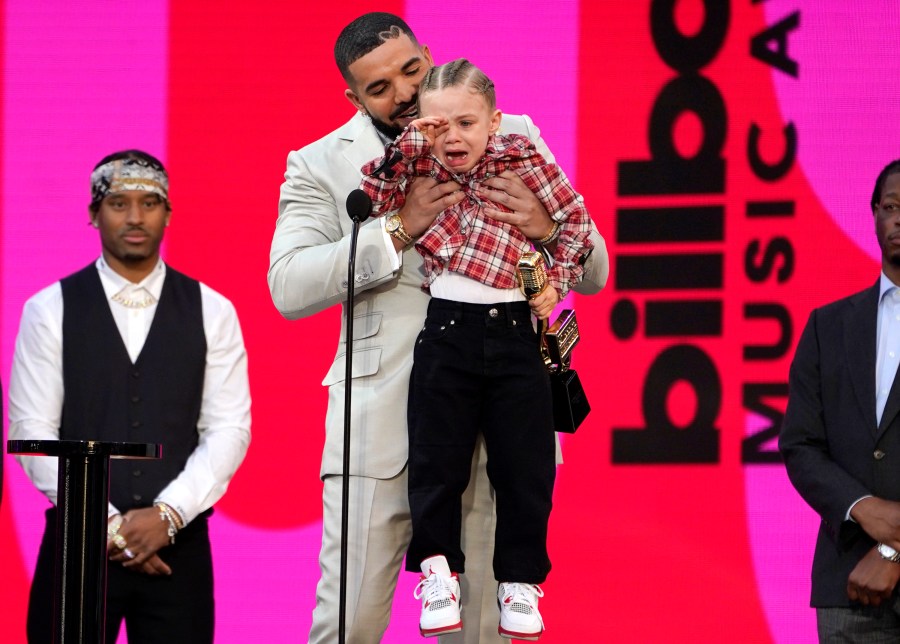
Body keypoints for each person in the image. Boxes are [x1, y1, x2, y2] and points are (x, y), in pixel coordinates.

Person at [268, 12, 609, 644]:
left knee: (478, 632)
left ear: (428, 54)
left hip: (496, 423)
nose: (401, 94)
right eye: (378, 88)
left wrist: (543, 225)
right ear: (352, 97)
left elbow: (594, 271)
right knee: (349, 626)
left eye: (410, 71)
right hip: (378, 431)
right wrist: (396, 230)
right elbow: (287, 285)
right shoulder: (320, 164)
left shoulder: (512, 134)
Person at [359, 58, 593, 640]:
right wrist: (412, 147)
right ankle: (438, 572)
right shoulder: (414, 161)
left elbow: (576, 225)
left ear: (493, 122)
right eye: (438, 126)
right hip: (446, 330)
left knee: (526, 466)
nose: (452, 138)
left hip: (517, 331)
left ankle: (520, 581)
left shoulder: (524, 158)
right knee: (436, 459)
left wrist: (554, 282)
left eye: (466, 123)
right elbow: (373, 191)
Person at [9, 149, 252, 643]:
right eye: (119, 203)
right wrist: (111, 526)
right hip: (77, 546)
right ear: (94, 213)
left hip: (178, 547)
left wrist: (169, 514)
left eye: (150, 202)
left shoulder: (214, 309)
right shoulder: (48, 308)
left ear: (168, 213)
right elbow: (31, 431)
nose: (136, 217)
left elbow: (229, 427)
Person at [781, 158, 900, 641]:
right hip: (847, 581)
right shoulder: (827, 327)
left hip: (874, 568)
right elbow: (801, 446)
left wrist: (893, 549)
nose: (899, 219)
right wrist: (862, 506)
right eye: (890, 206)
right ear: (873, 214)